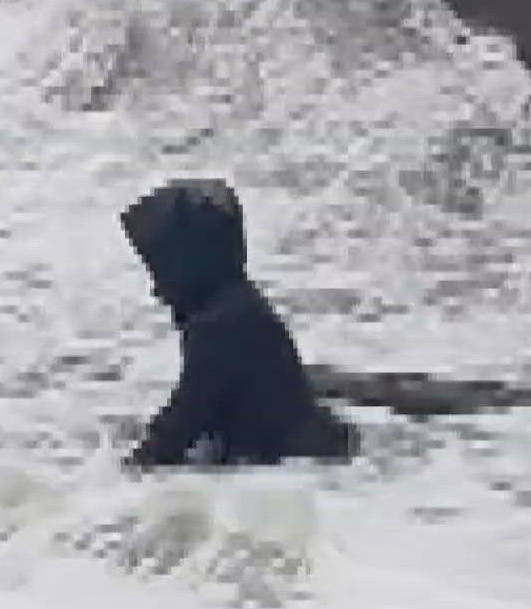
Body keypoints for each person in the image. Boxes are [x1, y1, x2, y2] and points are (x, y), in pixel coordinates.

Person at [119, 179, 356, 469]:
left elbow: (183, 422)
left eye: (160, 274)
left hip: (305, 467)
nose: (156, 290)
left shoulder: (221, 327)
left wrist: (128, 471)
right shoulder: (237, 306)